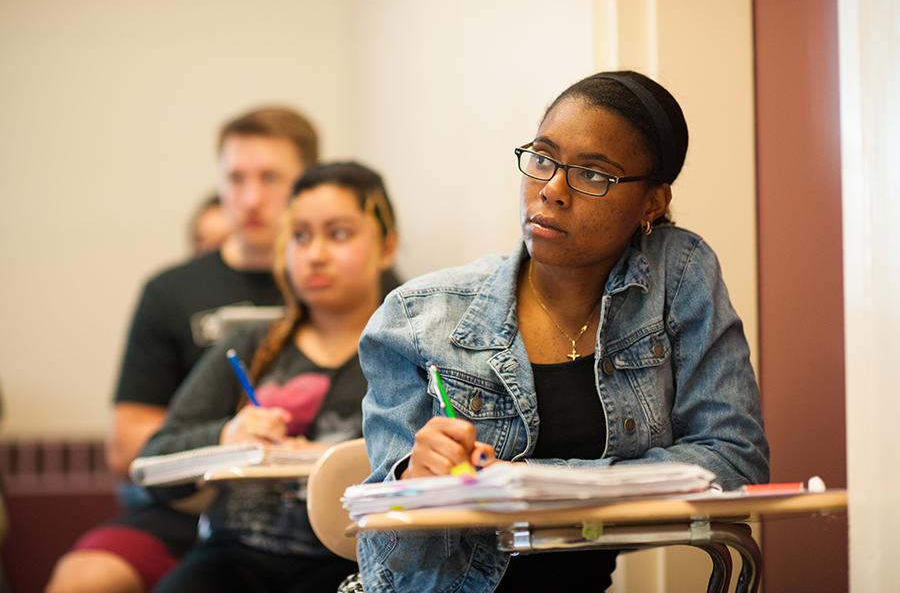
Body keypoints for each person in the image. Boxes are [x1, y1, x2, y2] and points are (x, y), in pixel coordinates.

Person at [356, 70, 770, 591]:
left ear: (653, 202)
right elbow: (389, 559)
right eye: (544, 158)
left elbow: (735, 457)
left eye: (593, 175)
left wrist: (539, 483)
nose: (551, 190)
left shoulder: (677, 275)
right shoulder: (417, 319)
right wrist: (412, 485)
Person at [47, 106, 319, 593]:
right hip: (185, 510)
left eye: (271, 177)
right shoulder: (170, 291)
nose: (251, 197)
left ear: (307, 184)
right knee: (83, 577)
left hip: (314, 512)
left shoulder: (357, 290)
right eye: (235, 178)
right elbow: (127, 443)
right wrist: (226, 438)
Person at [143, 161, 398, 593]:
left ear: (386, 246)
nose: (315, 254)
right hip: (232, 557)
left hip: (352, 563)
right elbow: (157, 463)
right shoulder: (249, 344)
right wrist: (227, 437)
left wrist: (331, 459)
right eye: (299, 236)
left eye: (338, 234)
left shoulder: (405, 351)